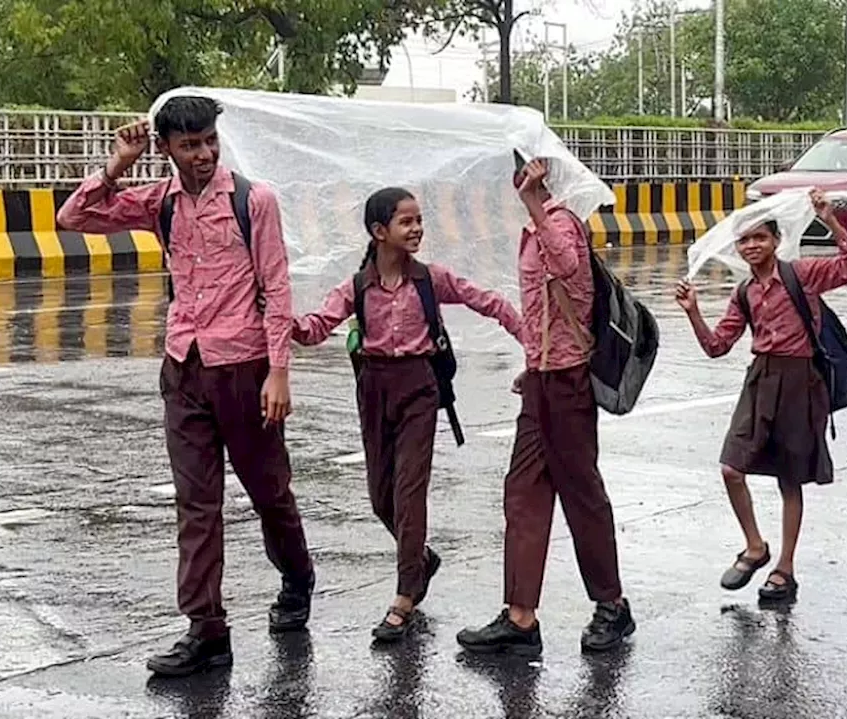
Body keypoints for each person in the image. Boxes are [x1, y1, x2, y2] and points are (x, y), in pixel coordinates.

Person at [56, 96, 315, 676]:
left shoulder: (254, 201)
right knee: (197, 503)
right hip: (183, 368)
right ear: (167, 149)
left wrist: (278, 372)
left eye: (209, 142)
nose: (202, 154)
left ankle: (297, 576)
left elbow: (276, 289)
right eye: (189, 145)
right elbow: (72, 219)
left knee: (269, 492)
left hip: (245, 370)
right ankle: (207, 630)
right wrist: (117, 164)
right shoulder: (160, 203)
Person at [291, 187, 524, 642]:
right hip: (374, 390)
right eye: (406, 222)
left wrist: (531, 340)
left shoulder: (429, 280)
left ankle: (404, 597)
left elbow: (489, 301)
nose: (416, 229)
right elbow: (315, 328)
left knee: (409, 491)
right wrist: (280, 318)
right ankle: (421, 558)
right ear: (380, 232)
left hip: (419, 388)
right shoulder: (357, 286)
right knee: (382, 499)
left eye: (419, 220)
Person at [456, 157, 634, 657]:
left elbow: (568, 268)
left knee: (581, 494)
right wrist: (532, 364)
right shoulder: (534, 227)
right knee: (523, 492)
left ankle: (613, 606)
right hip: (542, 380)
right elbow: (545, 310)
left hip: (569, 383)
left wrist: (533, 200)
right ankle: (520, 616)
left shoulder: (559, 223)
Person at [673, 188, 847, 603]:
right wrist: (692, 311)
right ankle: (755, 546)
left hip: (801, 381)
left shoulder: (802, 275)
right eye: (744, 240)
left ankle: (785, 568)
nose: (752, 246)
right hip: (760, 380)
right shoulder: (743, 293)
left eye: (760, 237)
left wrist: (829, 219)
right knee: (731, 468)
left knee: (789, 478)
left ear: (776, 241)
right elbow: (716, 346)